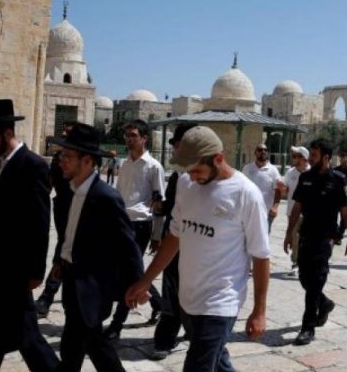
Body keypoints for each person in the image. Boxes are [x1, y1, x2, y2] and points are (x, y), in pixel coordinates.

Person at [125, 126, 271, 372]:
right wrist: (145, 280)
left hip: (221, 303)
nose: (192, 177)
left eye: (196, 170)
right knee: (218, 363)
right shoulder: (186, 184)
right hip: (188, 300)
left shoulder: (246, 194)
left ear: (218, 158)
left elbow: (261, 256)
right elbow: (174, 237)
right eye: (188, 171)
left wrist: (259, 311)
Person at [0, 99, 59, 372]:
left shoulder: (33, 165)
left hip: (16, 269)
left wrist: (36, 270)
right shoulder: (0, 164)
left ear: (7, 133)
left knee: (26, 336)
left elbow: (40, 222)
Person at [51, 123, 145, 371]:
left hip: (93, 286)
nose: (61, 161)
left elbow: (127, 245)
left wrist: (139, 284)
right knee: (91, 343)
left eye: (68, 157)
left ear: (87, 161)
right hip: (72, 279)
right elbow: (69, 234)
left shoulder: (106, 197)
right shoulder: (69, 191)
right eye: (61, 156)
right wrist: (60, 260)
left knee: (75, 346)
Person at [284, 139, 347, 346]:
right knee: (304, 278)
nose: (311, 158)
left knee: (316, 280)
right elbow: (297, 207)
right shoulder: (305, 177)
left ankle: (308, 328)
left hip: (325, 238)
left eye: (315, 155)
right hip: (306, 234)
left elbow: (346, 213)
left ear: (326, 157)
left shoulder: (338, 180)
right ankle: (324, 303)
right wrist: (289, 233)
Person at [105, 119, 165, 341]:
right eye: (127, 135)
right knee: (133, 272)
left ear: (144, 138)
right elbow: (119, 194)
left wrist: (157, 235)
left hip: (141, 224)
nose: (129, 139)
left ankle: (116, 325)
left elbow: (160, 203)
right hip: (122, 222)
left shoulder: (153, 167)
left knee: (129, 274)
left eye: (133, 135)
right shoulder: (124, 164)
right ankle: (159, 304)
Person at [150, 125, 192, 361]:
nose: (174, 149)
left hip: (192, 245)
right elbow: (172, 206)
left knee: (184, 292)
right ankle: (166, 338)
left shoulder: (197, 177)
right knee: (172, 291)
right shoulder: (178, 175)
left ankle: (178, 334)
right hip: (173, 240)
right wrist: (160, 208)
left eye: (177, 144)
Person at [35, 120, 76, 319]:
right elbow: (49, 183)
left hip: (78, 209)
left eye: (69, 134)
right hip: (61, 208)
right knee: (64, 249)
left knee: (65, 251)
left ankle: (47, 296)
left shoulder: (83, 159)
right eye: (64, 133)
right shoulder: (58, 158)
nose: (65, 137)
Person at [282, 146, 310, 276]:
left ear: (303, 159)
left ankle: (305, 263)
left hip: (309, 213)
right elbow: (285, 190)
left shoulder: (312, 173)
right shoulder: (290, 173)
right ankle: (295, 263)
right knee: (295, 238)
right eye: (292, 156)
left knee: (307, 239)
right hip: (292, 212)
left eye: (295, 156)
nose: (292, 158)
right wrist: (282, 190)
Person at [242, 144, 283, 231]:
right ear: (255, 152)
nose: (263, 152)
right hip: (249, 212)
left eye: (265, 150)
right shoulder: (247, 168)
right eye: (260, 150)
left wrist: (275, 207)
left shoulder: (273, 170)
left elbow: (278, 190)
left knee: (264, 236)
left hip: (266, 212)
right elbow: (241, 187)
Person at [333, 152, 347, 245]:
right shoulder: (335, 170)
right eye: (341, 157)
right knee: (333, 217)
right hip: (335, 196)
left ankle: (339, 236)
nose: (343, 159)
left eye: (344, 157)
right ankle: (335, 234)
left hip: (346, 197)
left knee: (344, 219)